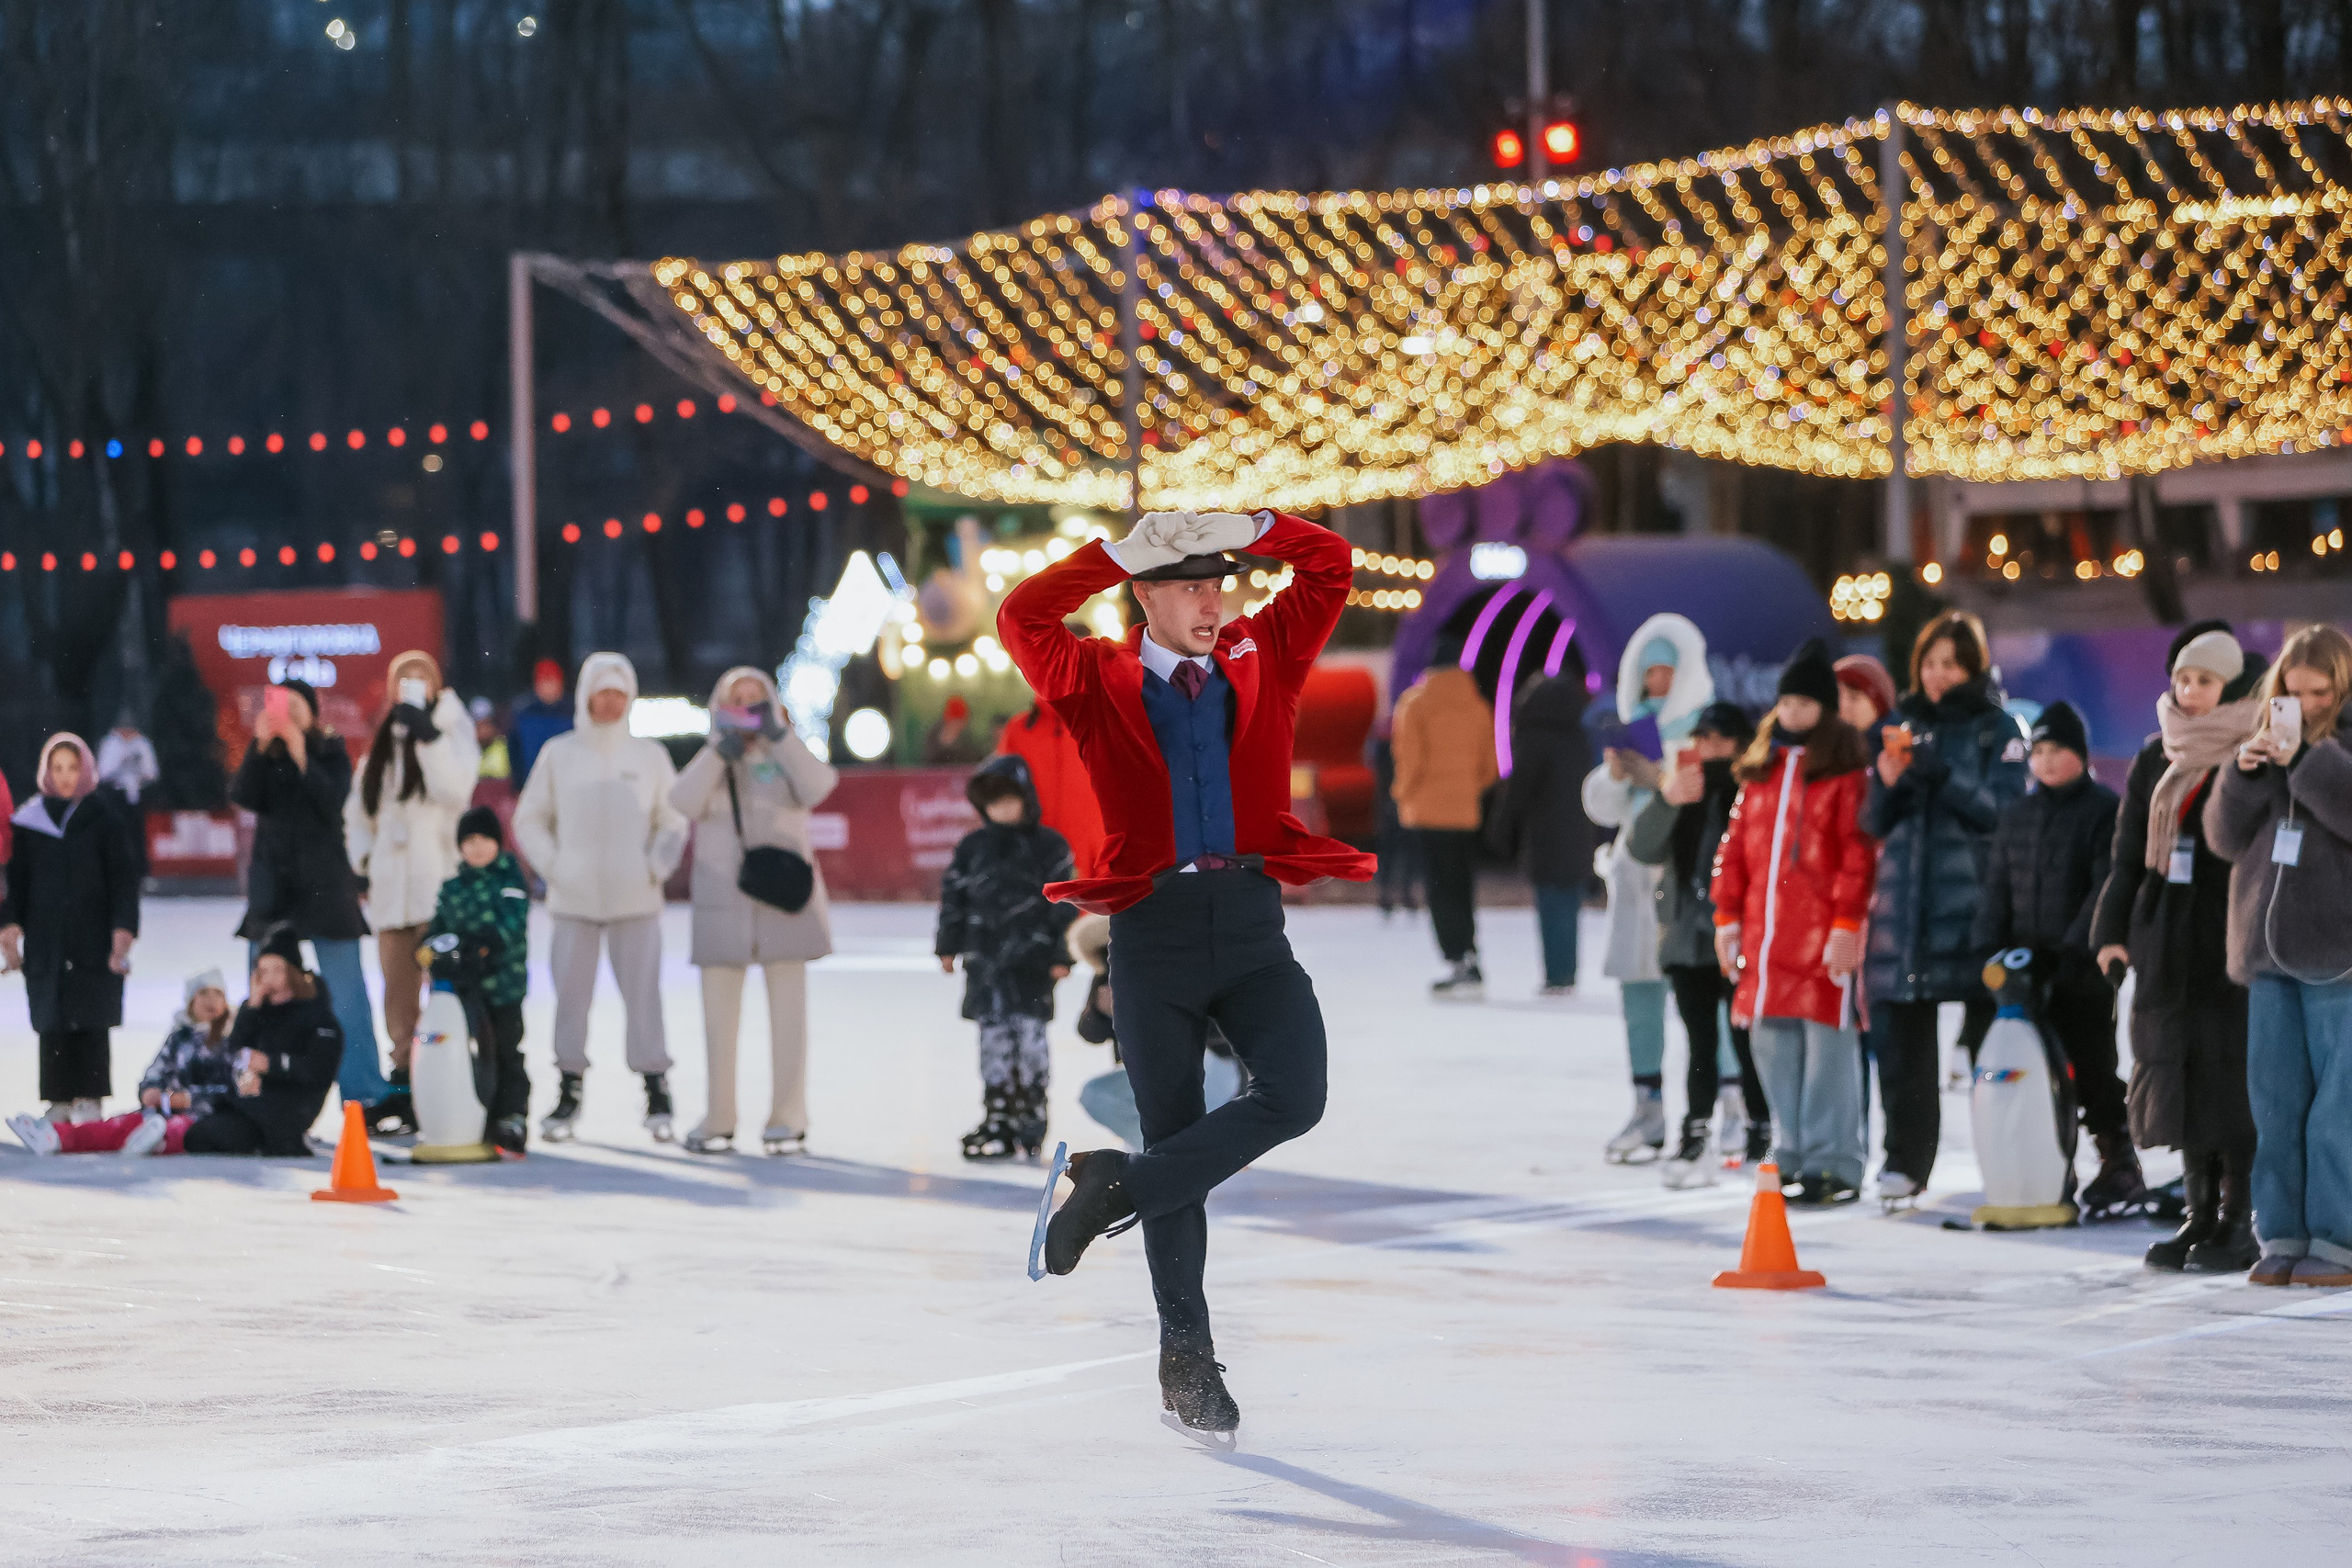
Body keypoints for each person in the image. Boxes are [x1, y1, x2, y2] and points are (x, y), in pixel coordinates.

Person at [1000, 505, 1374, 1441]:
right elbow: (1022, 616)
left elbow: (1329, 565)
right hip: (1151, 933)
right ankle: (1187, 1359)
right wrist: (1112, 552)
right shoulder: (1094, 677)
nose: (1213, 602)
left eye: (1219, 584)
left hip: (1250, 925)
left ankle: (1115, 1183)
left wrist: (1259, 521)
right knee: (1177, 1144)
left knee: (1297, 1093)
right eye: (1192, 587)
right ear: (1147, 597)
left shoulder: (1263, 652)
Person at [2094, 623, 2267, 1271]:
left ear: (2231, 687)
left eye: (2205, 681)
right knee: (2179, 1075)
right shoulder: (2154, 757)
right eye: (2183, 679)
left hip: (2229, 935)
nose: (2189, 691)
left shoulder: (2251, 749)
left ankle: (2238, 1220)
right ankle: (2198, 1215)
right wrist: (2112, 932)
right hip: (2165, 935)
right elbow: (2127, 856)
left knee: (2229, 1077)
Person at [1861, 611, 2026, 1201]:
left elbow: (2005, 813)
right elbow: (1872, 823)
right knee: (1902, 1043)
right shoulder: (1899, 725)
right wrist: (1888, 783)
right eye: (1929, 663)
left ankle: (2008, 1161)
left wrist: (1942, 776)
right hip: (1905, 910)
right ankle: (1904, 1160)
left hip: (1975, 908)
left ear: (1973, 668)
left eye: (1950, 664)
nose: (1937, 675)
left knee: (1994, 1044)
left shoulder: (1996, 728)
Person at [2206, 623, 2352, 1286]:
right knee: (2275, 1105)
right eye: (2293, 693)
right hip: (2265, 953)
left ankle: (2338, 1239)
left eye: (2320, 693)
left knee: (2337, 1109)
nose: (2306, 705)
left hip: (2337, 953)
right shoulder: (2264, 741)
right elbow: (2222, 838)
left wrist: (2307, 760)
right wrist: (2241, 774)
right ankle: (2284, 1232)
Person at [1711, 640, 1879, 1205]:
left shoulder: (1844, 774)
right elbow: (1734, 851)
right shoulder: (1760, 773)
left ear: (1825, 710)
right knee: (1773, 1048)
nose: (1792, 712)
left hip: (1821, 937)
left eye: (1805, 702)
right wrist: (1727, 917)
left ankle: (1835, 1160)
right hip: (1766, 939)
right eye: (1786, 702)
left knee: (1828, 1054)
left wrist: (1846, 923)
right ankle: (1791, 1152)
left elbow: (1857, 854)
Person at [514, 652, 689, 1143]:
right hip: (574, 902)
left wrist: (655, 867)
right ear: (585, 698)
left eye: (619, 694)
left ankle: (655, 1085)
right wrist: (555, 866)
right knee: (571, 1000)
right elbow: (530, 818)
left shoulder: (649, 757)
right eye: (602, 693)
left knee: (644, 998)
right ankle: (569, 1087)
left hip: (636, 901)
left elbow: (673, 820)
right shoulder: (560, 754)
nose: (610, 703)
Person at [1973, 701, 2138, 1213]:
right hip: (2023, 976)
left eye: (2056, 750)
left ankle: (2118, 1160)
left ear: (2081, 755)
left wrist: (2069, 952)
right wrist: (1990, 951)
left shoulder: (2104, 810)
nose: (2044, 761)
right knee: (2032, 1074)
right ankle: (2047, 1166)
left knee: (2091, 1066)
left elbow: (2104, 887)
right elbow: (1997, 889)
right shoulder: (2018, 815)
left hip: (2079, 972)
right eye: (2038, 751)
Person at [670, 665, 839, 1156]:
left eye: (756, 698)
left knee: (790, 1020)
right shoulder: (712, 757)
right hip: (723, 902)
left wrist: (779, 737)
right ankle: (718, 1115)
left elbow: (819, 786)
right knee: (718, 1024)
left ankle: (788, 1115)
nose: (746, 708)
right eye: (736, 699)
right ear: (720, 708)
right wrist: (717, 753)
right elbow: (682, 801)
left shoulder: (788, 754)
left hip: (784, 901)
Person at [1583, 614, 1715, 1163]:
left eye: (1666, 670)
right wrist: (1617, 776)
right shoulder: (1631, 726)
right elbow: (1600, 806)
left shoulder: (1706, 725)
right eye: (1649, 671)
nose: (1657, 681)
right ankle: (1648, 1106)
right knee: (1640, 996)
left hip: (1686, 880)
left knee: (1704, 1001)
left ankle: (1726, 1104)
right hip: (1635, 880)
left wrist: (1659, 776)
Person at [1627, 700, 1768, 1184]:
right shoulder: (1682, 788)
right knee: (1700, 1041)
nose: (1710, 749)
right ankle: (1697, 1130)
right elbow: (1641, 847)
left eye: (1720, 739)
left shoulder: (1753, 789)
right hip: (1687, 935)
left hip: (1736, 934)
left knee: (1747, 1038)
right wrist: (1668, 799)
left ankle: (1760, 1128)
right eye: (1702, 738)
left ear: (1741, 744)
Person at [230, 677, 386, 1111]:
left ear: (314, 714)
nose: (288, 714)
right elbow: (244, 796)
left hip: (326, 888)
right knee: (264, 992)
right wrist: (260, 746)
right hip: (272, 890)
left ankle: (363, 1094)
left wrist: (301, 751)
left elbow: (332, 801)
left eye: (297, 706)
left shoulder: (330, 750)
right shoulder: (265, 755)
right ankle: (259, 1088)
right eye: (282, 705)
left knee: (347, 997)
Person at [345, 650, 480, 1131]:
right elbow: (358, 814)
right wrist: (364, 862)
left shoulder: (451, 732)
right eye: (403, 678)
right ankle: (404, 1086)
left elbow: (455, 791)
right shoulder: (382, 745)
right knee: (398, 1000)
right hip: (390, 892)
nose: (412, 684)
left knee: (446, 993)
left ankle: (453, 1081)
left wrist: (429, 738)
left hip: (436, 887)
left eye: (421, 676)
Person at [936, 754, 1079, 1159]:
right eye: (993, 802)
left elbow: (1064, 904)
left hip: (1032, 962)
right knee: (993, 1038)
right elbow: (954, 898)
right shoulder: (972, 848)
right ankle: (998, 1112)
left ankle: (1031, 1113)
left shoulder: (1049, 846)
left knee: (1030, 1038)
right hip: (984, 963)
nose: (1001, 809)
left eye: (1008, 799)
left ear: (1026, 798)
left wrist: (1061, 952)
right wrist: (949, 945)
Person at [0, 735, 140, 1123]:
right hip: (48, 939)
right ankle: (58, 1099)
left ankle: (91, 1096)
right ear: (46, 771)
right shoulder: (30, 823)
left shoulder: (104, 819)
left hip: (92, 937)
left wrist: (123, 928)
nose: (65, 776)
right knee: (53, 1017)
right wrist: (10, 924)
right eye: (57, 768)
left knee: (91, 1017)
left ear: (86, 770)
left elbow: (123, 880)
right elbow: (18, 883)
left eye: (73, 768)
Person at [6, 971, 237, 1156]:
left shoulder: (231, 1039)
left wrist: (188, 1099)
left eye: (217, 994)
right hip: (160, 1110)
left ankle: (157, 1142)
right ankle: (56, 1136)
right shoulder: (179, 1037)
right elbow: (156, 1071)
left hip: (203, 1116)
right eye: (204, 993)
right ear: (191, 1001)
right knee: (119, 1125)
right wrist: (149, 1091)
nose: (211, 1001)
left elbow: (233, 1088)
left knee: (178, 1129)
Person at [423, 807, 533, 1155]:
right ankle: (473, 1114)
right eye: (469, 841)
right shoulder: (453, 887)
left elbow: (512, 923)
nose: (477, 847)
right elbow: (439, 926)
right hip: (463, 994)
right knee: (469, 1055)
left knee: (505, 1051)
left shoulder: (510, 881)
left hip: (502, 988)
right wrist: (429, 948)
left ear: (498, 842)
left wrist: (484, 945)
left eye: (485, 839)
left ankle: (510, 1115)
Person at [1390, 642, 1498, 996]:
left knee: (1438, 889)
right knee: (1462, 886)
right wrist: (1467, 790)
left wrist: (1402, 793)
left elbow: (1410, 760)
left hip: (1426, 811)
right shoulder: (1478, 706)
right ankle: (1470, 954)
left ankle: (1456, 959)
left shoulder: (1415, 704)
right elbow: (1490, 766)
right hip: (1464, 812)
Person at [181, 926, 345, 1157]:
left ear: (293, 972)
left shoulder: (317, 1016)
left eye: (278, 970)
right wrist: (252, 1008)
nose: (271, 979)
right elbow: (233, 1050)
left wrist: (271, 1064)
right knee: (200, 1134)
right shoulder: (259, 1010)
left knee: (217, 1135)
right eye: (264, 971)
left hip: (292, 1105)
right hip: (252, 1102)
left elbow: (318, 1069)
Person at [1488, 667, 1594, 997]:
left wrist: (1501, 829)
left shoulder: (1533, 738)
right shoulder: (1579, 738)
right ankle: (1567, 971)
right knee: (1569, 905)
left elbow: (1518, 791)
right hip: (1578, 833)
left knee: (1550, 904)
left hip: (1545, 835)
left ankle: (1556, 975)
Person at [998, 699, 1106, 878]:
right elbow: (1001, 797)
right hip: (1032, 859)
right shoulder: (1018, 730)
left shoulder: (1104, 726)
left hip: (1094, 861)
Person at [509, 659, 573, 786]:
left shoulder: (573, 712)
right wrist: (519, 783)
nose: (547, 687)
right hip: (533, 783)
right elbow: (514, 751)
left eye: (551, 682)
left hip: (566, 782)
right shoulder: (524, 713)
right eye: (544, 682)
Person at [96, 713, 160, 805]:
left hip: (140, 792)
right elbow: (103, 773)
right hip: (113, 793)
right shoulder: (110, 743)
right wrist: (121, 760)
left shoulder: (142, 743)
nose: (127, 733)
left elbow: (152, 772)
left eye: (129, 730)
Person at [924, 694, 987, 766]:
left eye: (960, 721)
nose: (957, 725)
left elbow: (976, 761)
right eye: (954, 721)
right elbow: (929, 763)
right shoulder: (934, 737)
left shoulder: (968, 740)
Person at [471, 696, 512, 783]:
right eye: (478, 725)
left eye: (486, 723)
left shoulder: (505, 747)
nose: (483, 730)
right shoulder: (467, 750)